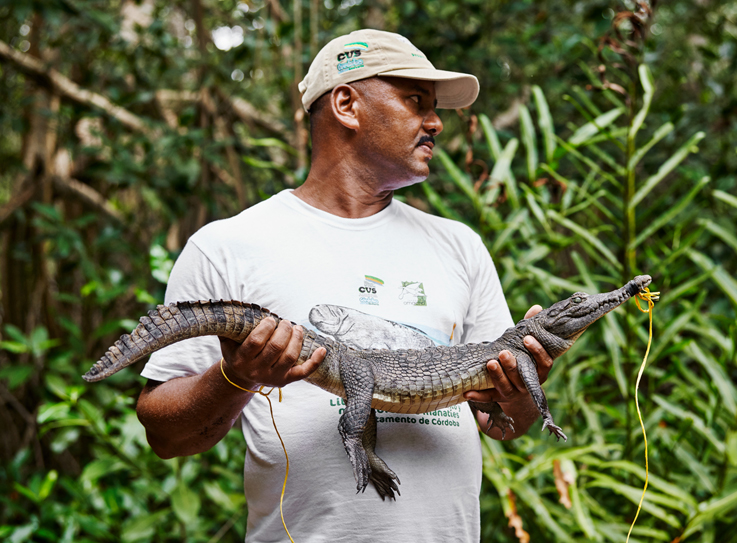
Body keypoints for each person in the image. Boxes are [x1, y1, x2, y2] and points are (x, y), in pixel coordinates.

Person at [136, 29, 555, 542]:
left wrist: (520, 394)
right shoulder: (228, 246)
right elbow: (165, 434)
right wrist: (235, 377)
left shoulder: (459, 245)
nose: (435, 122)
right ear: (346, 104)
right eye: (414, 100)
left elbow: (503, 424)